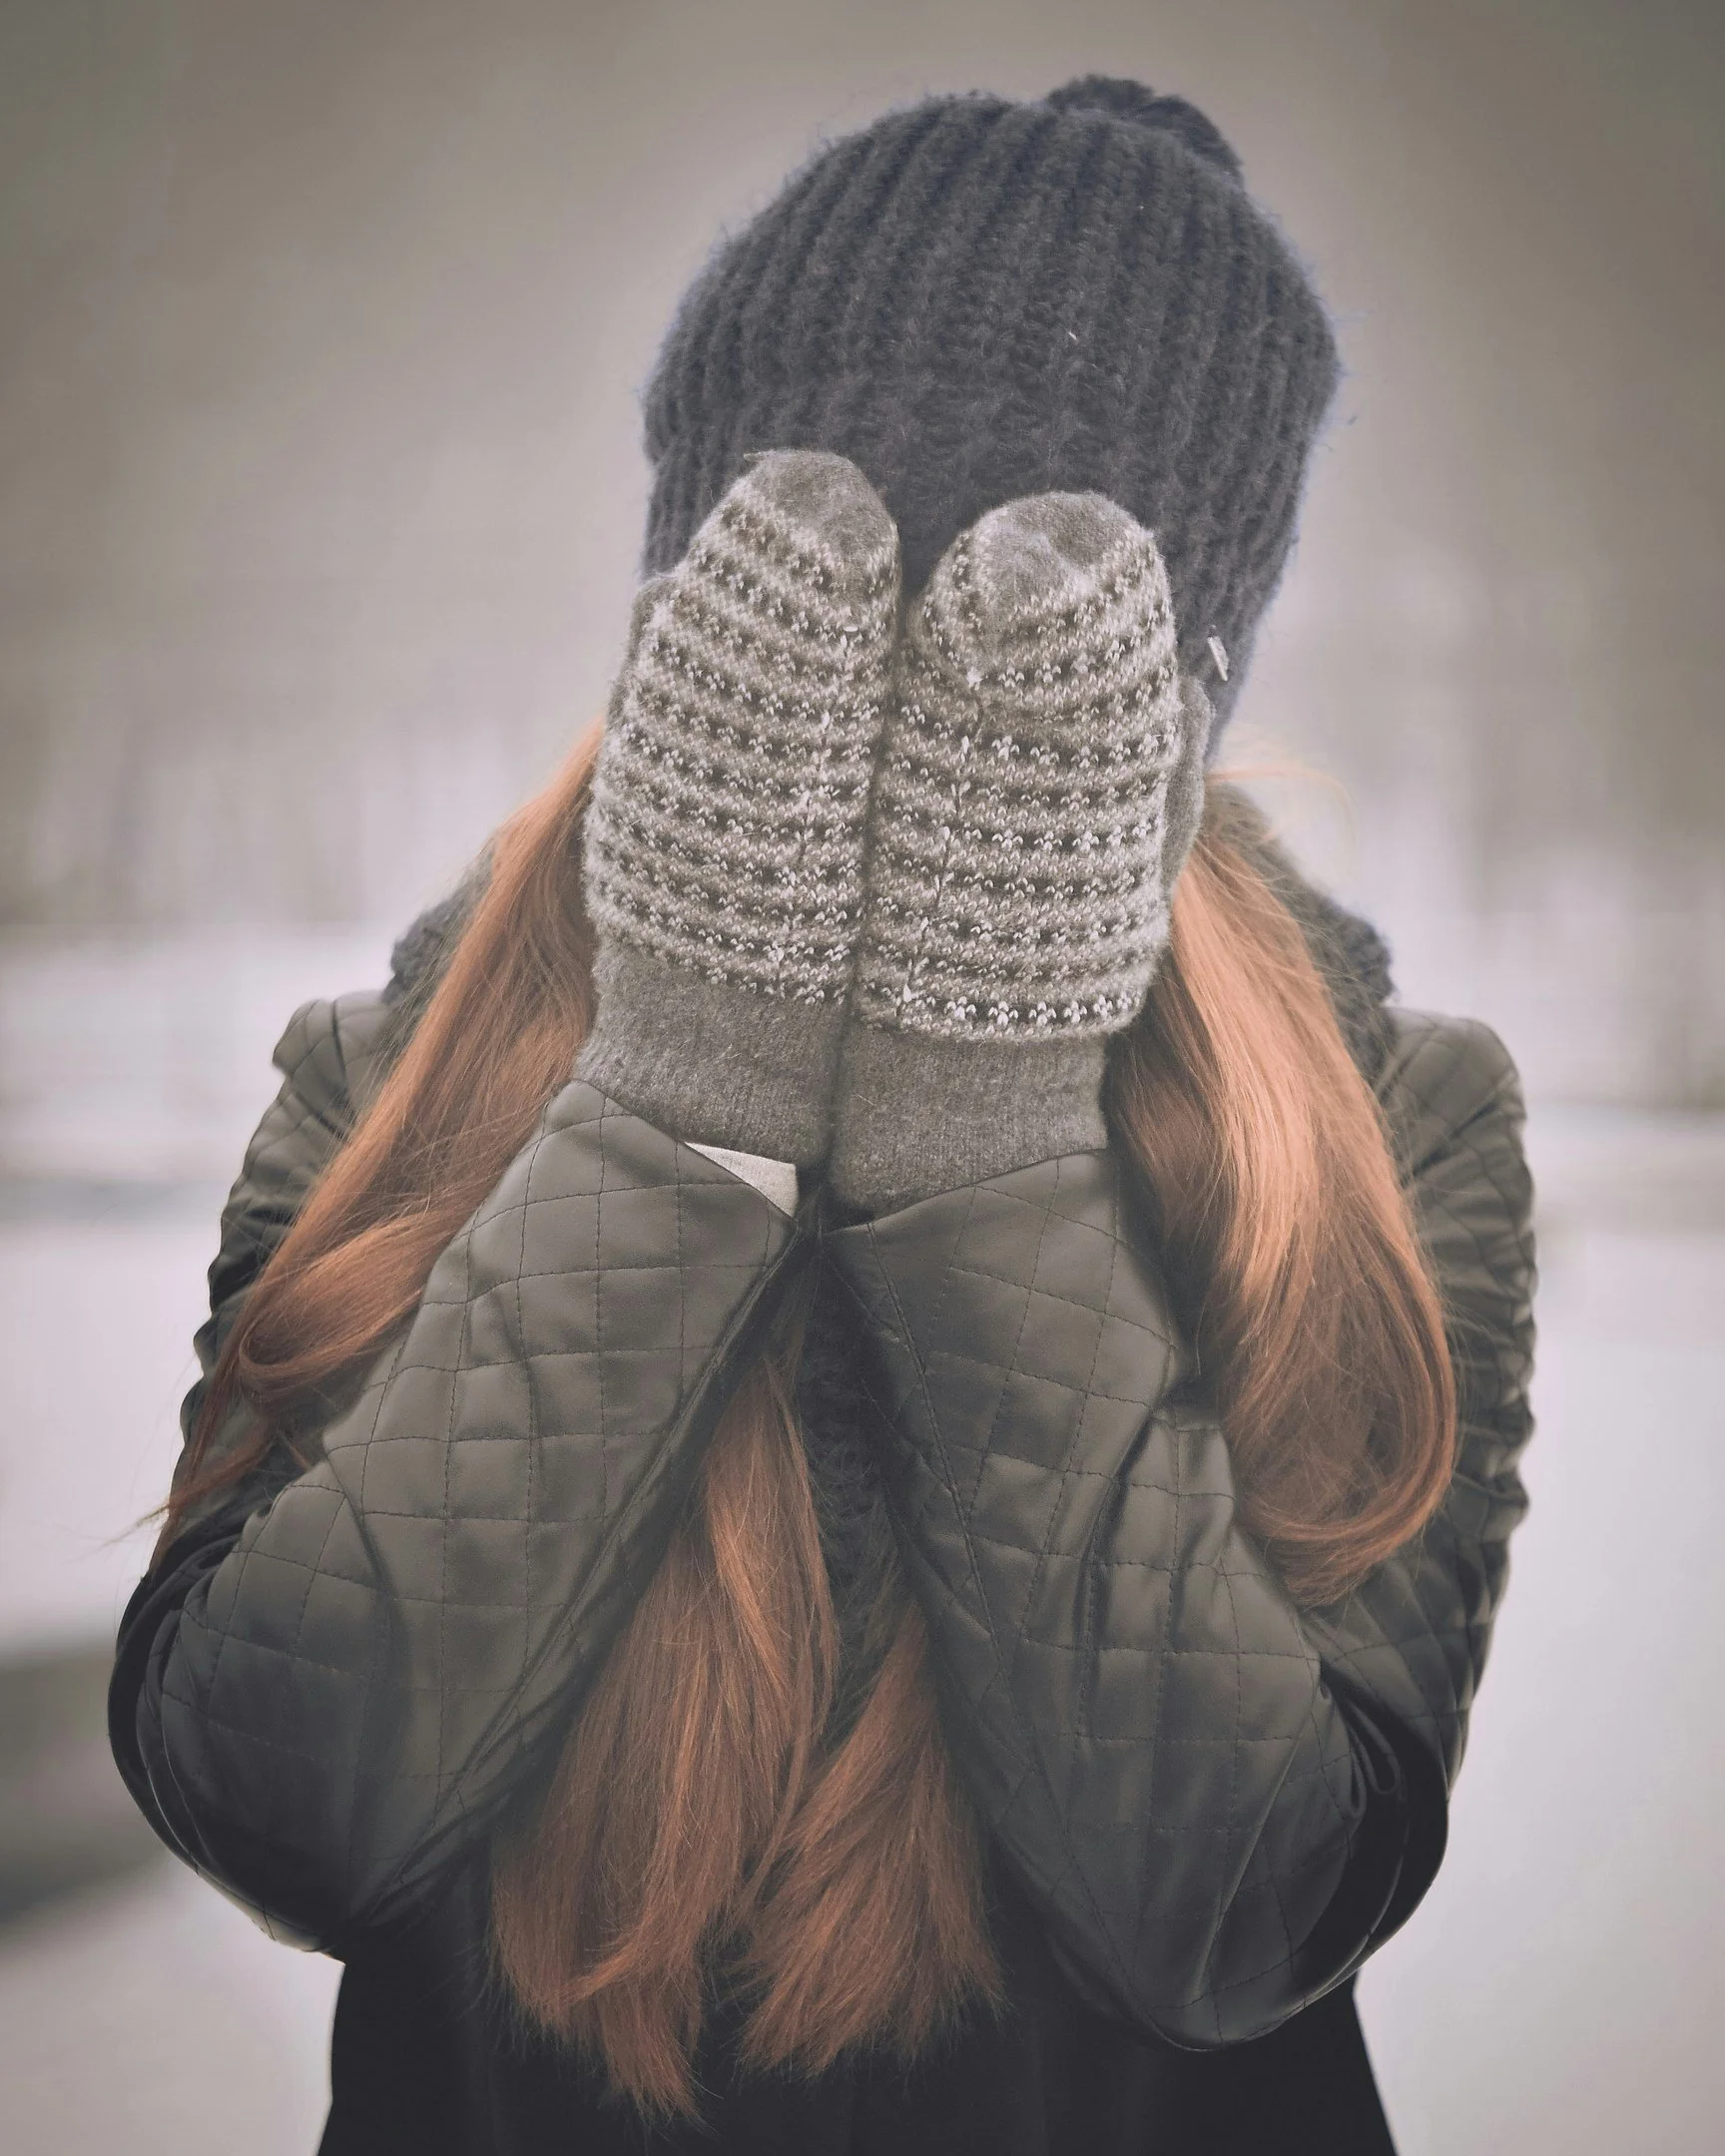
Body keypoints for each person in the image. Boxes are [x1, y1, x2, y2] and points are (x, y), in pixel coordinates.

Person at [109, 77, 1535, 2156]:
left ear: (1177, 687)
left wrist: (986, 1154)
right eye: (825, 571)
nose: (907, 677)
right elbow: (277, 1799)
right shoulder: (396, 1077)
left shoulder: (1396, 1139)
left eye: (1024, 618)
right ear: (689, 619)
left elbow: (1243, 1903)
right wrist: (677, 1113)